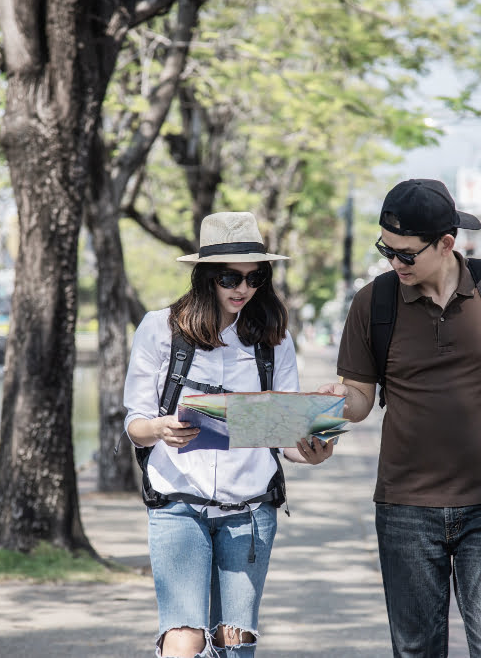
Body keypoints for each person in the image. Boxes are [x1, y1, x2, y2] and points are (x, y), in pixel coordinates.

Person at [317, 178, 481, 657]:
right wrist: (329, 408)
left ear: (446, 243)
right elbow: (360, 399)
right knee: (417, 652)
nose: (393, 262)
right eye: (387, 249)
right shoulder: (373, 303)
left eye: (406, 254)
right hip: (405, 510)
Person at [123, 211, 334, 658]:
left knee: (234, 643)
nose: (243, 288)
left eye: (255, 277)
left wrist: (311, 450)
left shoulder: (274, 339)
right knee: (184, 636)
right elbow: (136, 425)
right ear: (204, 277)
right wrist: (159, 429)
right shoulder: (160, 329)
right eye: (229, 277)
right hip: (178, 502)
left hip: (250, 510)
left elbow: (284, 432)